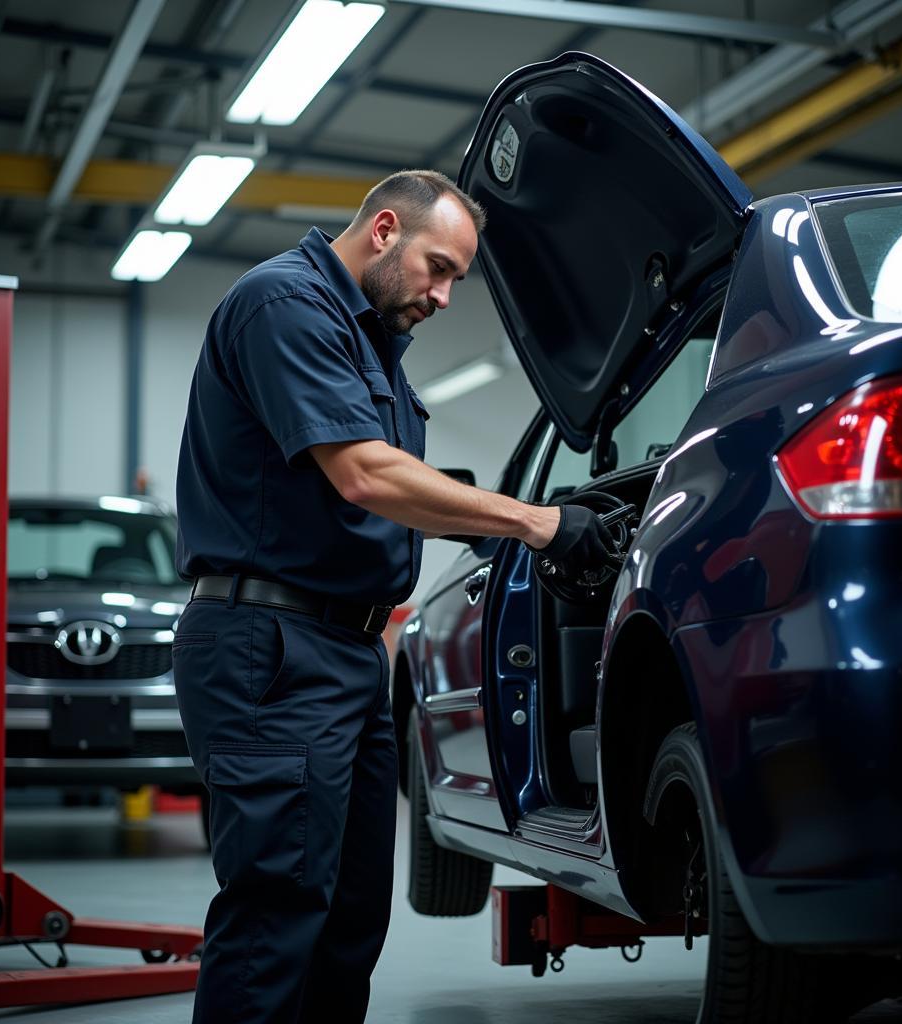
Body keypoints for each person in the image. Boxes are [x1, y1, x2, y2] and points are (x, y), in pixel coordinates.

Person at [172, 169, 617, 1023]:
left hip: (341, 655)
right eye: (439, 268)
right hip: (270, 651)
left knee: (348, 918)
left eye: (457, 277)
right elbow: (367, 475)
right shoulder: (285, 305)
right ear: (384, 231)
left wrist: (516, 523)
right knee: (278, 915)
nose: (447, 295)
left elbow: (400, 489)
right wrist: (535, 522)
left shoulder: (370, 340)